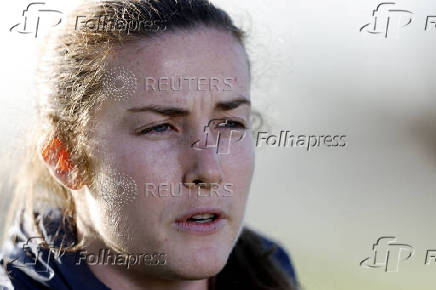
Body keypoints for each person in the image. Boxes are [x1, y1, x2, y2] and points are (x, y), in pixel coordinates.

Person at [0, 0, 300, 289]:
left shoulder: (270, 274)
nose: (209, 170)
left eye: (230, 123)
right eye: (160, 128)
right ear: (65, 158)